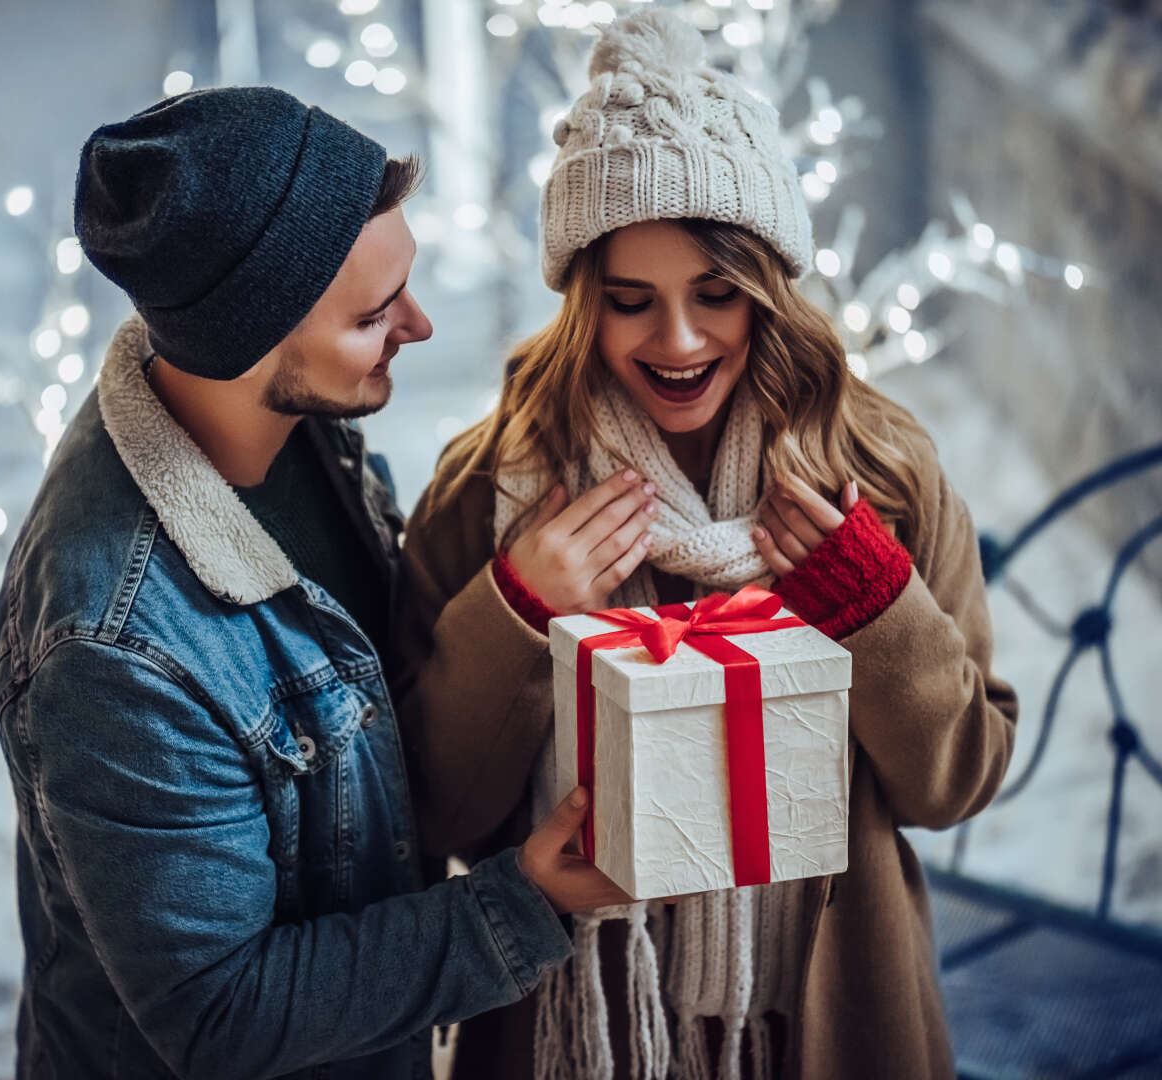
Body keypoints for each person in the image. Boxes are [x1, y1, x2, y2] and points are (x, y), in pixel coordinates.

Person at [392, 11, 1019, 1080]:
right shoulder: (490, 486)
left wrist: (876, 612)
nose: (678, 342)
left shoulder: (881, 472)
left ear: (770, 288)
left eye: (717, 295)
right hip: (571, 1021)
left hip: (826, 1016)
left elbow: (955, 783)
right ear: (581, 299)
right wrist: (514, 614)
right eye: (631, 302)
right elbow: (434, 813)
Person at [0, 86, 628, 1080]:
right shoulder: (112, 647)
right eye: (374, 315)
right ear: (248, 338)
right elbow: (219, 1013)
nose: (418, 324)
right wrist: (524, 903)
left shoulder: (300, 432)